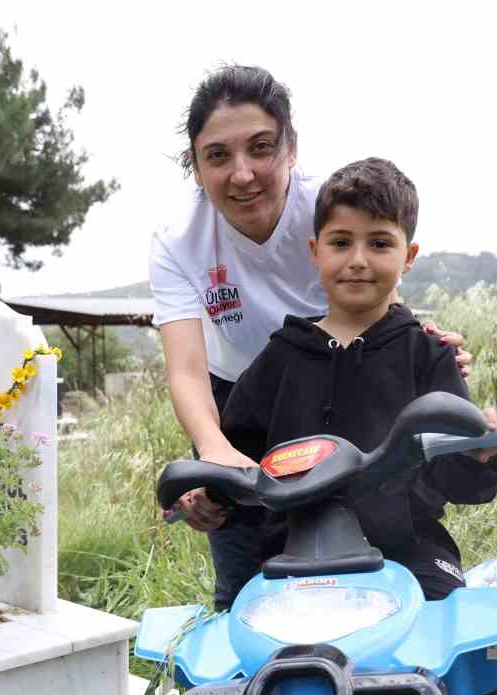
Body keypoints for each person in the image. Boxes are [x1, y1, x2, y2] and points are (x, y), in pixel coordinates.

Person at [215, 155, 497, 695]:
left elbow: (458, 471)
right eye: (341, 242)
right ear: (315, 251)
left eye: (379, 243)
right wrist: (213, 497)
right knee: (230, 670)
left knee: (468, 654)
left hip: (408, 550)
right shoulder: (280, 357)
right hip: (288, 565)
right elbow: (238, 461)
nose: (358, 260)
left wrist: (484, 453)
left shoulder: (424, 354)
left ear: (407, 257)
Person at [149, 65, 473, 610]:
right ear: (197, 166)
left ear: (291, 149)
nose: (244, 174)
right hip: (242, 403)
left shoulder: (328, 208)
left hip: (344, 379)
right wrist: (215, 453)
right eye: (218, 156)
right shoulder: (179, 241)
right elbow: (186, 370)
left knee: (386, 527)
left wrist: (423, 348)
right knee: (246, 580)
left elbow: (373, 290)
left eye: (261, 148)